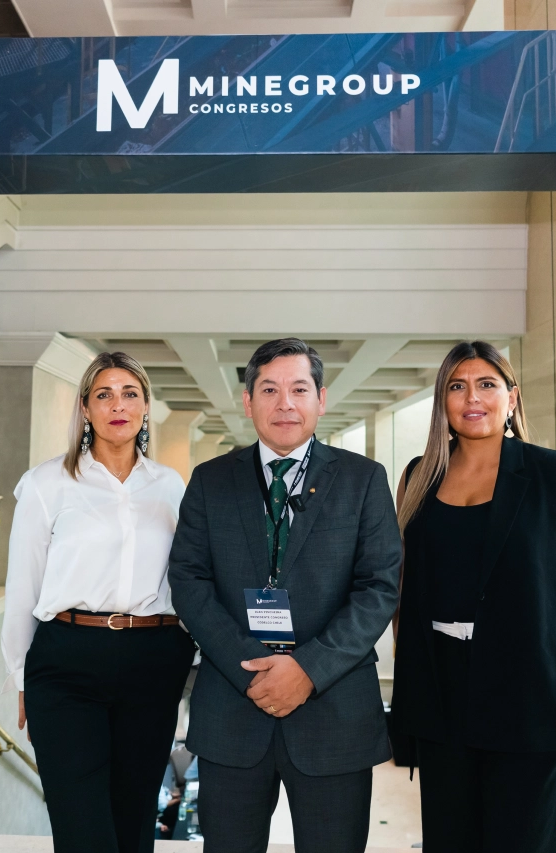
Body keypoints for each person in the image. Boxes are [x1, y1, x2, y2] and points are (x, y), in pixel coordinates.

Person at [168, 338, 401, 853]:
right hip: (234, 709)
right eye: (269, 390)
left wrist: (307, 670)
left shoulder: (363, 480)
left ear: (321, 398)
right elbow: (188, 580)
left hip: (334, 715)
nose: (285, 403)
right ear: (248, 401)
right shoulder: (210, 481)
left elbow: (379, 587)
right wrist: (251, 667)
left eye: (299, 389)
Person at [389, 341, 556, 853]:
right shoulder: (418, 477)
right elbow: (404, 587)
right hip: (442, 700)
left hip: (531, 698)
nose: (472, 398)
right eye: (457, 386)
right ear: (443, 402)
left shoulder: (550, 472)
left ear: (512, 398)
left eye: (487, 385)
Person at [1, 351, 196, 853]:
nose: (118, 405)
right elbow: (23, 587)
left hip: (153, 660)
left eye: (130, 394)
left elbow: (188, 577)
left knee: (134, 823)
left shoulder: (170, 486)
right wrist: (21, 676)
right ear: (85, 408)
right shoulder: (46, 484)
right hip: (67, 662)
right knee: (81, 826)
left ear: (146, 406)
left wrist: (189, 651)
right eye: (104, 394)